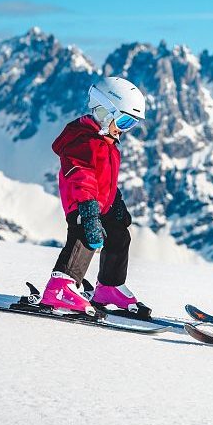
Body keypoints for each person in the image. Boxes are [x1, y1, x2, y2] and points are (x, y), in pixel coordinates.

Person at [39, 76, 151, 319]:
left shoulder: (106, 141)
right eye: (123, 120)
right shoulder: (82, 141)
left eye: (130, 124)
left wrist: (116, 202)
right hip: (82, 202)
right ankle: (60, 287)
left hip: (102, 203)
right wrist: (88, 210)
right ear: (104, 112)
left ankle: (109, 287)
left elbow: (106, 179)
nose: (124, 129)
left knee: (119, 236)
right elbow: (81, 176)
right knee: (86, 236)